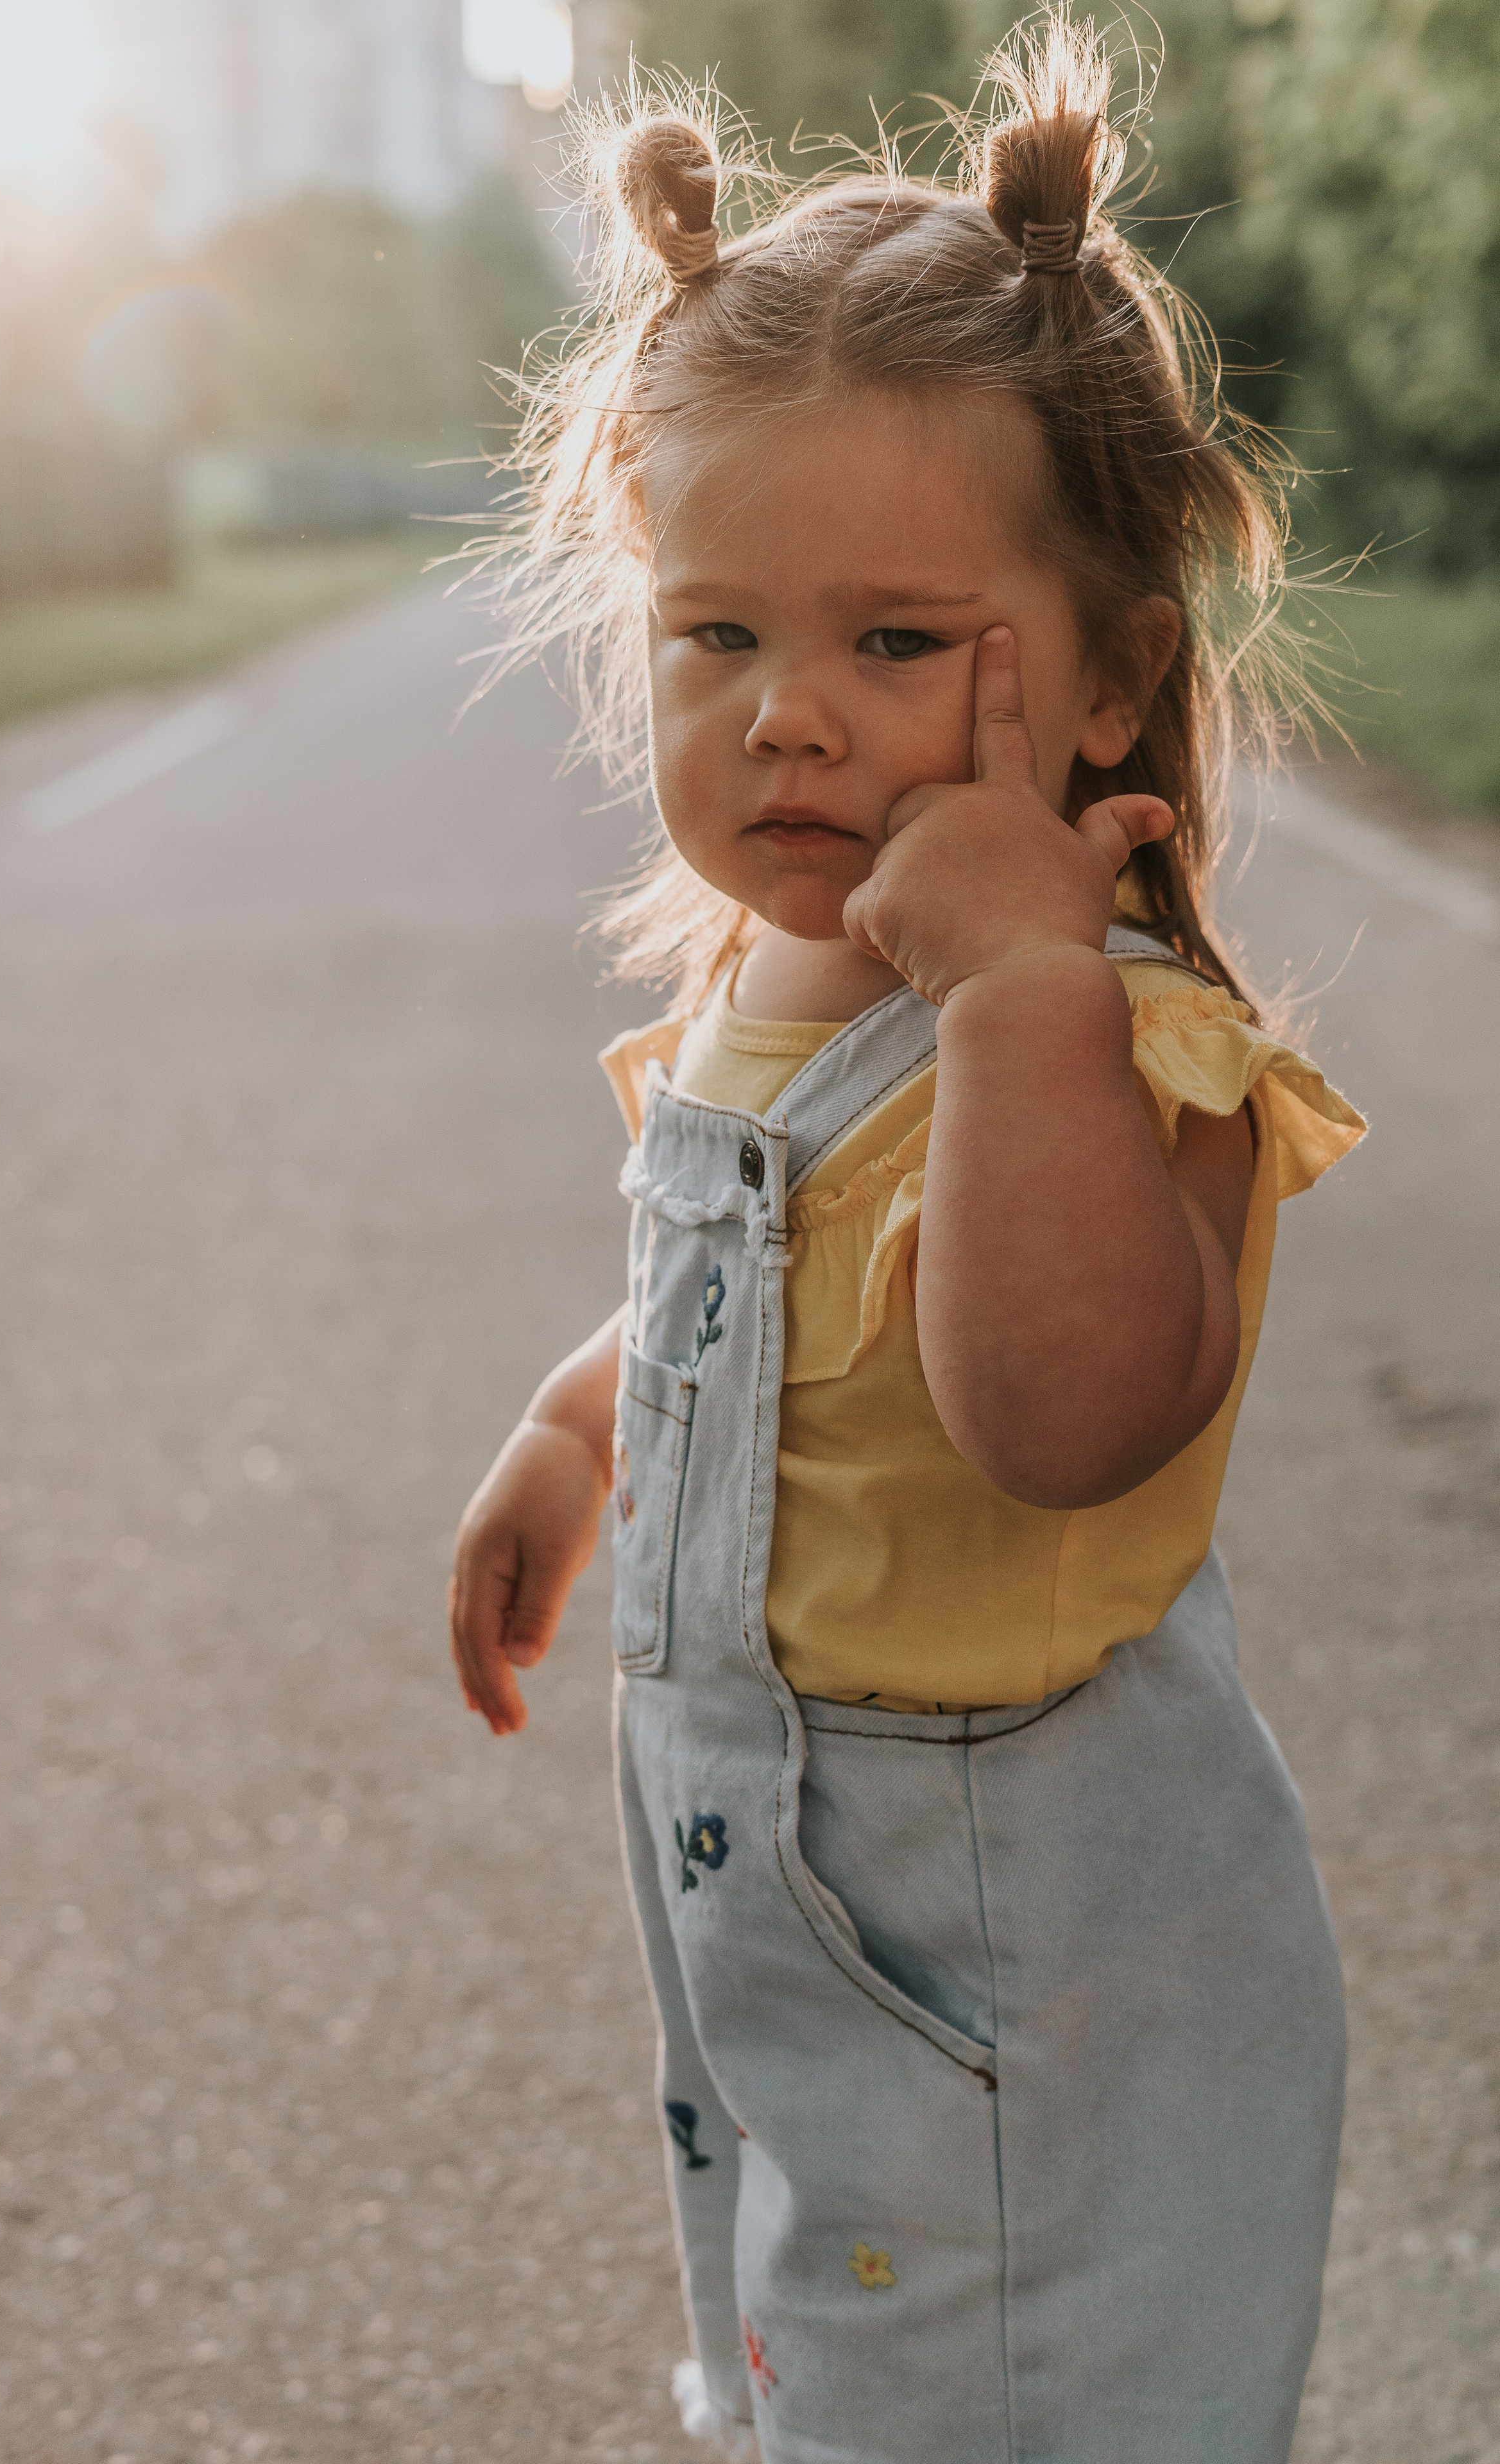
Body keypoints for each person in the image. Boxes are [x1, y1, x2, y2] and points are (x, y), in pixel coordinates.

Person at [448, 15, 1366, 2460]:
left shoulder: (1126, 1048)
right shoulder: (765, 983)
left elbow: (1055, 1421)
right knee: (825, 2368)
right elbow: (739, 1291)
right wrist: (584, 1427)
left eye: (889, 644)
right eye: (716, 637)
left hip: (1027, 1973)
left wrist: (1029, 993)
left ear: (1113, 681)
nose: (787, 722)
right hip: (790, 1929)